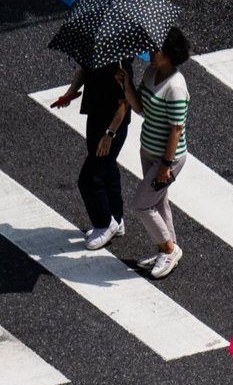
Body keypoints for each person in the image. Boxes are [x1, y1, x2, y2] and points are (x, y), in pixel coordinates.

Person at [116, 27, 190, 279]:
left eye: (155, 50)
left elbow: (176, 129)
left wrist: (166, 165)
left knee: (141, 205)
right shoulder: (151, 72)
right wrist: (126, 84)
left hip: (167, 158)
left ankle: (169, 248)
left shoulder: (176, 88)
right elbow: (141, 109)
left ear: (170, 55)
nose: (150, 54)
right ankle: (166, 250)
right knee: (158, 201)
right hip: (147, 150)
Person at [52, 60, 133, 250]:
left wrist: (109, 135)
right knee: (108, 169)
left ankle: (105, 223)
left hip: (113, 127)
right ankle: (117, 218)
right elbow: (84, 70)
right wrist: (70, 94)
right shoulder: (98, 53)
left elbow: (125, 102)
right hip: (95, 116)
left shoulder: (121, 64)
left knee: (89, 178)